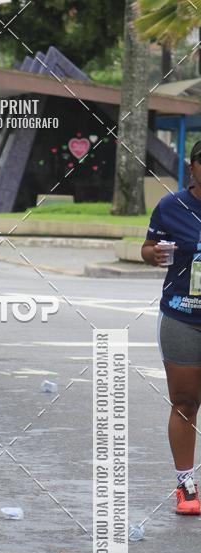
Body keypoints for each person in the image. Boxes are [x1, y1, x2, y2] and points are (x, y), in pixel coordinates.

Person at [142, 139, 201, 515]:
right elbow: (148, 248)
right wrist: (154, 254)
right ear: (193, 167)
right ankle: (186, 485)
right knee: (184, 403)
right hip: (183, 315)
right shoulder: (172, 206)